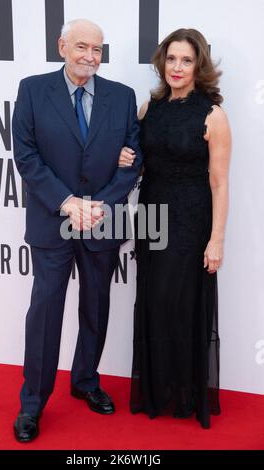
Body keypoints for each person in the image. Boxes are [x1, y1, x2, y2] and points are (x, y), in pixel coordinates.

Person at [12, 18, 142, 442]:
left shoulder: (122, 98)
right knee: (45, 313)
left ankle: (86, 380)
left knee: (96, 307)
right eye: (82, 46)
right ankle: (32, 403)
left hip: (101, 222)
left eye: (98, 50)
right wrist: (68, 202)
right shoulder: (32, 90)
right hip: (53, 222)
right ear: (62, 46)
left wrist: (100, 204)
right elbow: (27, 156)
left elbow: (134, 158)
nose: (90, 56)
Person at [119, 28, 231, 429]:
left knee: (181, 302)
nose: (177, 67)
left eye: (186, 60)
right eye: (171, 59)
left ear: (199, 65)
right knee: (152, 300)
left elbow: (219, 183)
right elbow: (139, 163)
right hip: (152, 215)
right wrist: (124, 156)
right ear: (162, 62)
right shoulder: (151, 108)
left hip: (190, 219)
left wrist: (216, 239)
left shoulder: (213, 115)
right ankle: (157, 389)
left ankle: (185, 392)